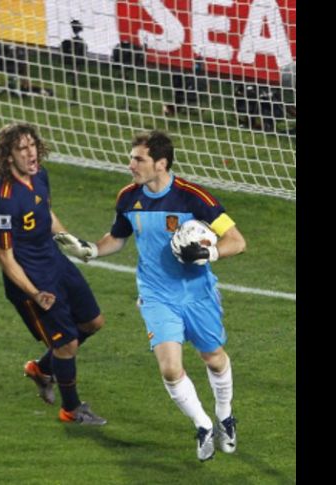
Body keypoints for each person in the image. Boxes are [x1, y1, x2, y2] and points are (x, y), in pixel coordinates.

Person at [54, 130, 246, 460]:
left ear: (161, 163)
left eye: (138, 159)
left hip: (198, 295)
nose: (131, 164)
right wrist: (90, 250)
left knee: (213, 358)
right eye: (131, 157)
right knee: (170, 369)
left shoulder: (194, 197)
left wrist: (208, 255)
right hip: (157, 297)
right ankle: (203, 426)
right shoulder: (129, 198)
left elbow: (236, 241)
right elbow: (116, 237)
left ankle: (225, 417)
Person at [0, 122, 107, 425]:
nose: (31, 153)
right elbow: (6, 258)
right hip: (31, 279)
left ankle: (41, 369)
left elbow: (47, 214)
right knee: (66, 344)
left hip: (55, 262)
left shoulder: (40, 176)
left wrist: (73, 244)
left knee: (93, 322)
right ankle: (71, 409)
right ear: (8, 156)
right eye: (22, 148)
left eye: (32, 145)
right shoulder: (2, 199)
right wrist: (34, 294)